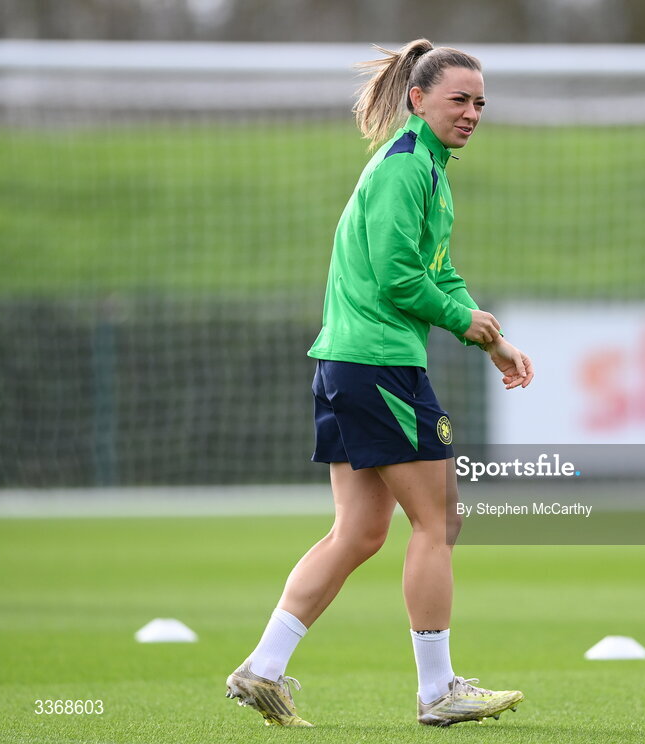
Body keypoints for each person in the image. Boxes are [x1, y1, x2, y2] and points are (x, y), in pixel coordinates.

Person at [225, 39, 534, 728]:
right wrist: (465, 321)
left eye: (481, 101)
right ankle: (437, 691)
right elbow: (400, 277)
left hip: (348, 361)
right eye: (461, 98)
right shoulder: (405, 169)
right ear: (418, 99)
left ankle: (263, 668)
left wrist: (490, 337)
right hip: (378, 364)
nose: (474, 111)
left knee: (361, 531)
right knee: (440, 518)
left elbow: (438, 272)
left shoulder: (428, 169)